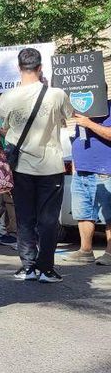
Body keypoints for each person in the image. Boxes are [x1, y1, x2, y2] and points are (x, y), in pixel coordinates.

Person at [0, 48, 73, 283]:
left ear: (19, 68)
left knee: (25, 218)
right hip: (51, 165)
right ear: (40, 68)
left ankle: (28, 266)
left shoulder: (7, 97)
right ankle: (47, 269)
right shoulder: (57, 94)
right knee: (49, 220)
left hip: (21, 166)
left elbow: (5, 127)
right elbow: (67, 116)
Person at [63, 102, 111, 265]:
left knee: (109, 215)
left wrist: (89, 123)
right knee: (83, 213)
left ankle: (110, 253)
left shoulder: (109, 109)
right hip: (82, 170)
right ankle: (85, 251)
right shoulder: (81, 111)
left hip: (106, 171)